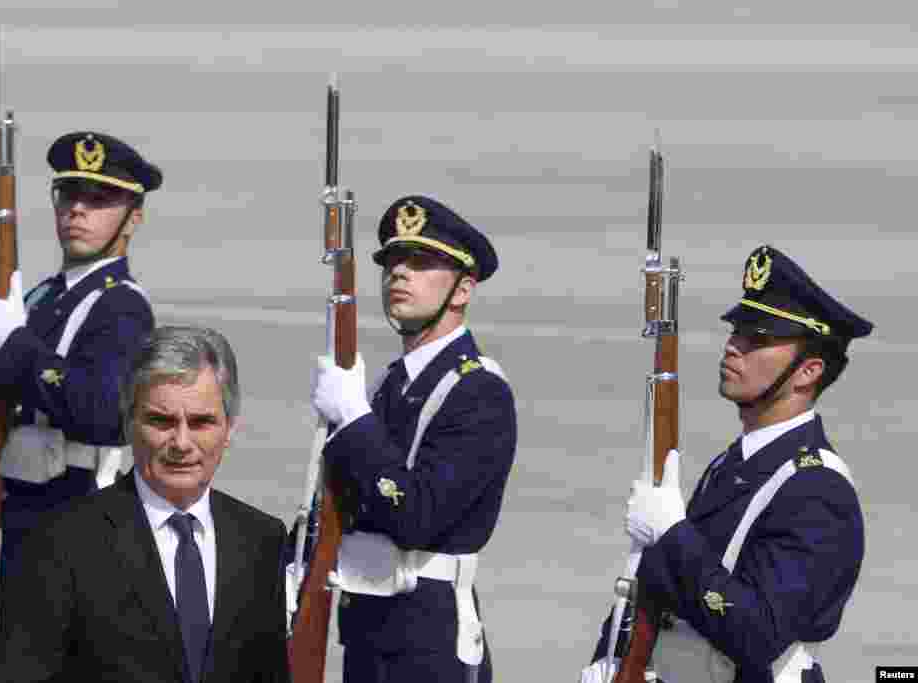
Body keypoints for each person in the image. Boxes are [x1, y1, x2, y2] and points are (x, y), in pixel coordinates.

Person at [583, 245, 873, 683]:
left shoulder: (816, 488)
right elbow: (663, 591)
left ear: (808, 371)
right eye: (737, 331)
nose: (734, 346)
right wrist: (613, 657)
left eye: (758, 340)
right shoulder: (735, 462)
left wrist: (673, 534)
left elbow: (756, 634)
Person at [0, 131, 161, 588]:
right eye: (68, 194)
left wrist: (14, 344)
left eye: (99, 199)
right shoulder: (41, 299)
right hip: (24, 525)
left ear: (133, 218)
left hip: (84, 529)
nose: (77, 209)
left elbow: (103, 413)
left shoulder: (122, 307)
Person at [0, 325, 290, 683]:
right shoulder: (58, 543)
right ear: (129, 424)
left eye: (201, 422)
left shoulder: (261, 540)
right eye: (161, 421)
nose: (181, 443)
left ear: (229, 430)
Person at [311, 195, 518, 683]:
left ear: (463, 289)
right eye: (393, 263)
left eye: (421, 263)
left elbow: (416, 517)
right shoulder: (390, 384)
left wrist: (354, 418)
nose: (398, 273)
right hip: (366, 637)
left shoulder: (479, 391)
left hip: (429, 645)